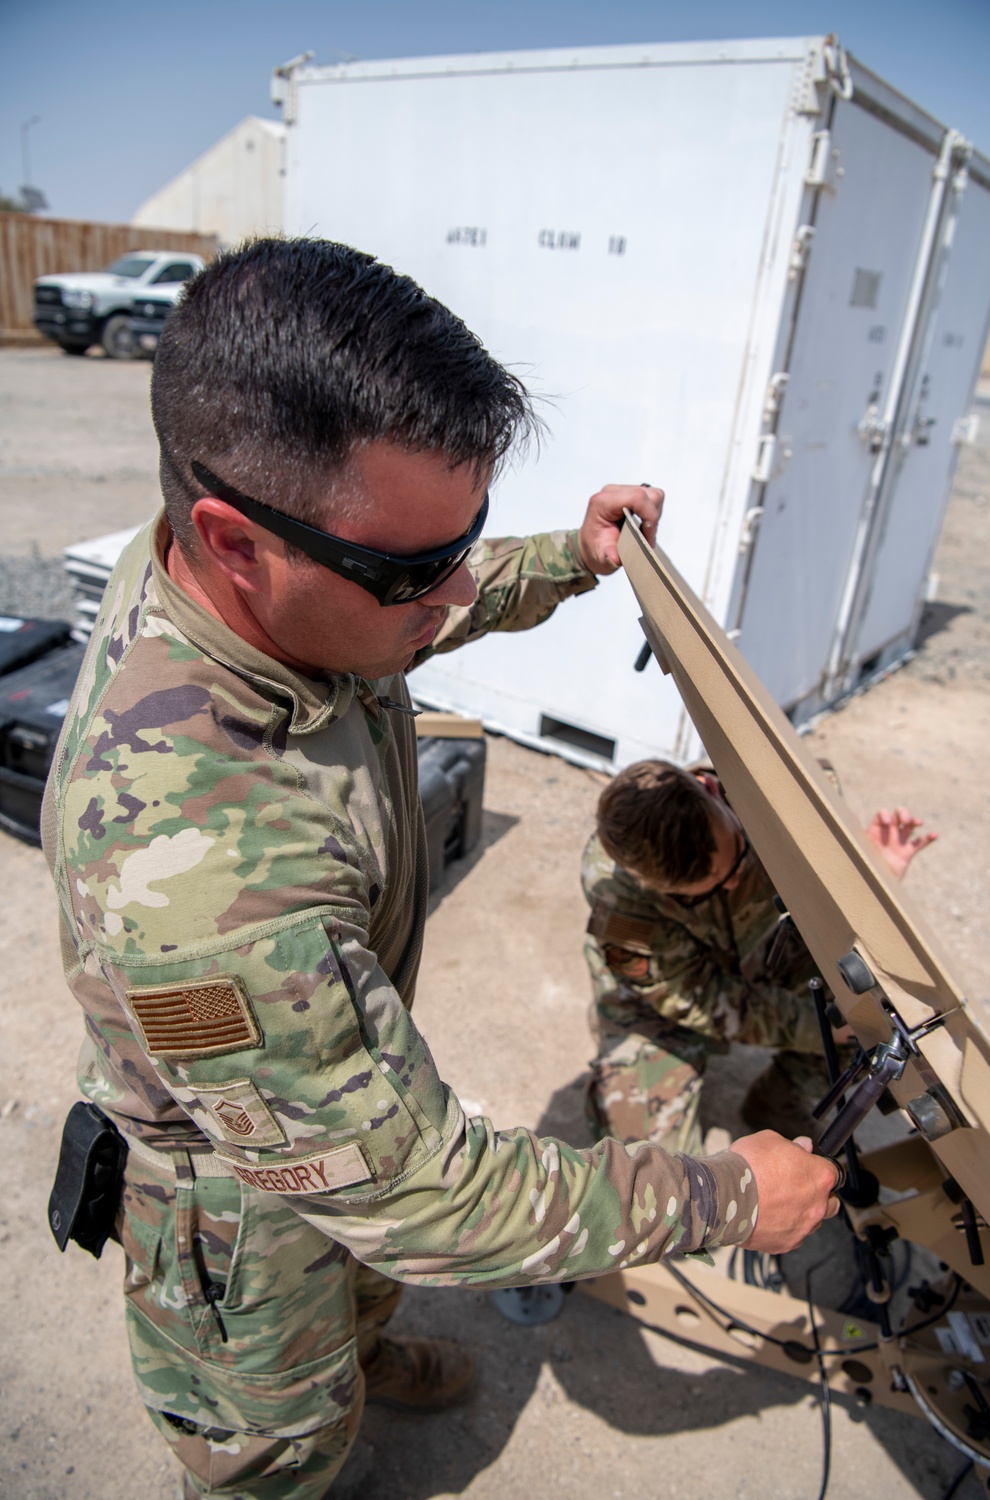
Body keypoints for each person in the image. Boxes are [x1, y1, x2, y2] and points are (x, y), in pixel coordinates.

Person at [43, 238, 839, 1500]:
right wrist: (724, 1195)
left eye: (460, 538)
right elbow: (418, 1190)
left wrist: (565, 559)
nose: (452, 591)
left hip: (314, 1104)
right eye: (415, 569)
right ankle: (312, 1416)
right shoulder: (201, 871)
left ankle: (360, 1346)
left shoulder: (274, 584)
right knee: (281, 1445)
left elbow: (432, 589)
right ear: (234, 540)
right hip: (243, 1218)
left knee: (359, 1284)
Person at [581, 759, 936, 1153]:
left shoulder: (777, 793)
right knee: (650, 1177)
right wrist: (810, 1024)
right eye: (700, 891)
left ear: (711, 790)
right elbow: (700, 999)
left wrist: (866, 881)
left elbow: (828, 900)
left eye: (737, 855)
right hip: (669, 998)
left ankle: (780, 1104)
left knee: (872, 1020)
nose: (734, 881)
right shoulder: (617, 900)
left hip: (769, 949)